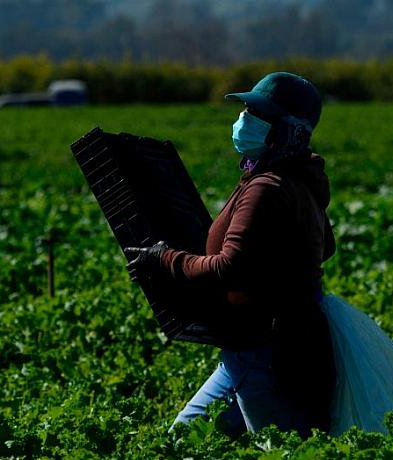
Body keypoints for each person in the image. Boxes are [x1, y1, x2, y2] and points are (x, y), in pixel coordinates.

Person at [125, 72, 337, 438]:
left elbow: (231, 266)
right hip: (277, 342)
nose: (242, 121)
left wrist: (164, 259)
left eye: (257, 116)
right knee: (184, 443)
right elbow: (323, 247)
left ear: (285, 131)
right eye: (245, 111)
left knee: (287, 459)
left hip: (266, 350)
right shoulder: (300, 178)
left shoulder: (267, 188)